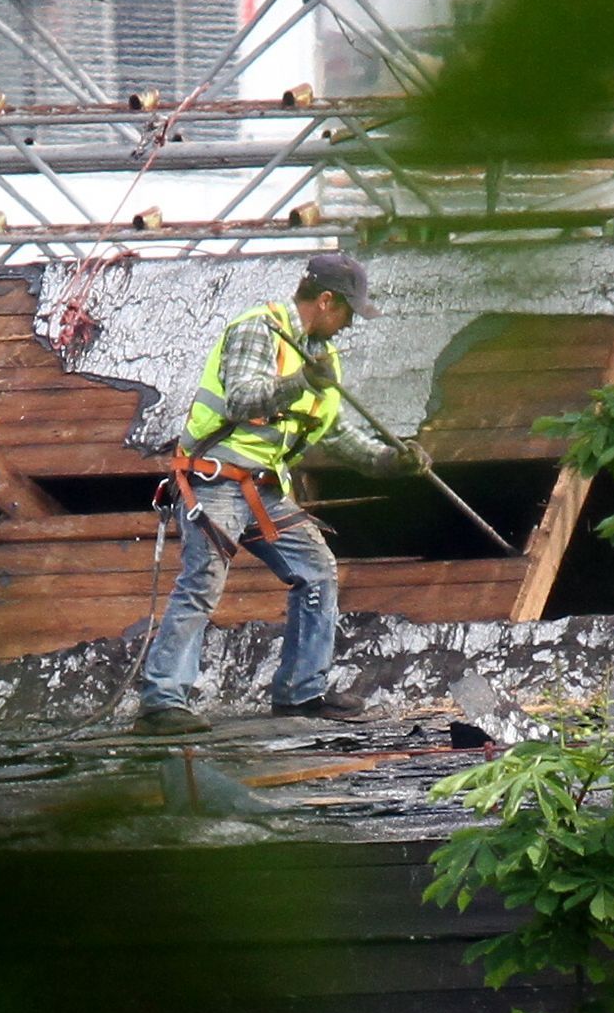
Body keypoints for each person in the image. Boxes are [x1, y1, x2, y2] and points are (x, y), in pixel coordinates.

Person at [134, 253, 429, 736]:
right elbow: (243, 398)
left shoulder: (320, 356)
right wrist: (299, 381)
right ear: (327, 301)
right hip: (215, 480)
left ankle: (301, 693)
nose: (350, 323)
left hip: (264, 491)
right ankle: (162, 700)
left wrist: (389, 461)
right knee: (202, 582)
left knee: (316, 571)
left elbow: (332, 434)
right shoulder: (261, 330)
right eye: (349, 312)